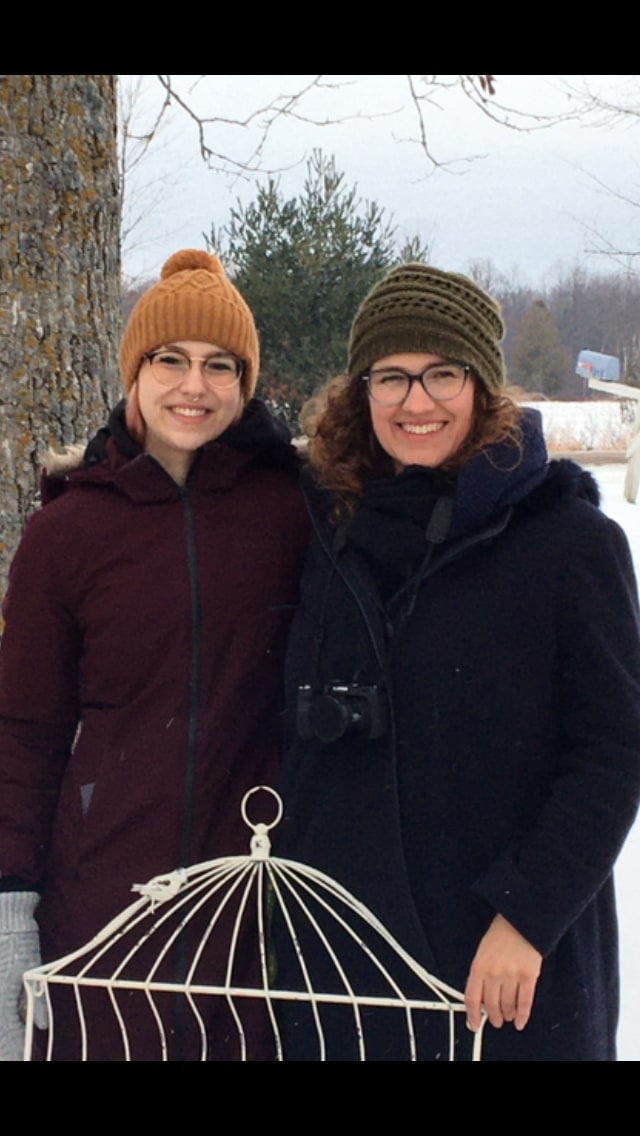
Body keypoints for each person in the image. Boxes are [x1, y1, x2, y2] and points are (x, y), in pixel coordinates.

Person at [275, 262, 640, 1061]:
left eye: (443, 373)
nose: (416, 401)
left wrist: (528, 912)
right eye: (393, 376)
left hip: (504, 967)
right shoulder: (322, 530)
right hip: (343, 958)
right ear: (361, 390)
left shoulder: (570, 544)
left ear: (482, 388)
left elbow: (614, 753)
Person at [0, 249, 309, 1060]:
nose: (193, 387)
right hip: (99, 904)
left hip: (251, 908)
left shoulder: (293, 512)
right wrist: (8, 911)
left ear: (247, 385)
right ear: (134, 372)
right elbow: (22, 733)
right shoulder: (67, 533)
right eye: (169, 361)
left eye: (219, 366)